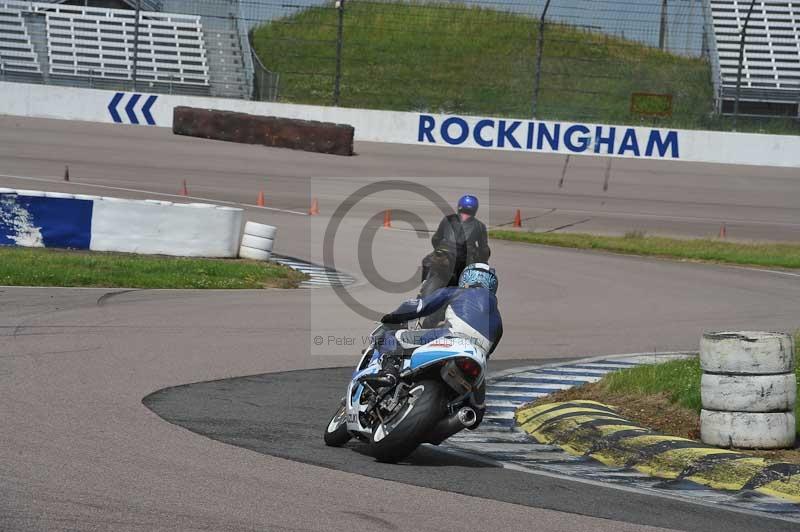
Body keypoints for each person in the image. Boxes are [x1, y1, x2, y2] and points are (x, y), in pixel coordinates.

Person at [369, 264, 503, 395]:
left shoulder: (457, 291)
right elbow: (488, 353)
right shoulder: (498, 319)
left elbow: (418, 307)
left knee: (391, 338)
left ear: (466, 278)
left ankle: (389, 373)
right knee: (476, 398)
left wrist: (393, 317)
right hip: (477, 354)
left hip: (453, 337)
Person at [420, 195, 491, 299]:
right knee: (478, 279)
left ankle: (424, 285)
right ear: (475, 210)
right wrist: (483, 259)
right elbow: (484, 250)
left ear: (459, 206)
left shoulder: (447, 219)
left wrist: (439, 249)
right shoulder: (480, 226)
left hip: (444, 260)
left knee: (427, 261)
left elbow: (435, 239)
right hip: (464, 263)